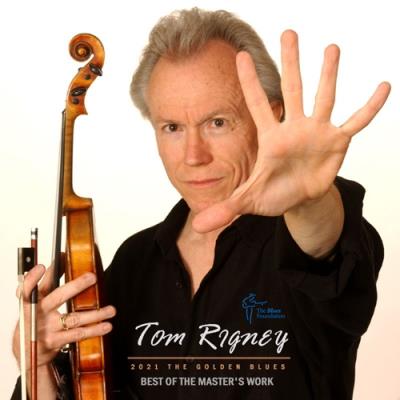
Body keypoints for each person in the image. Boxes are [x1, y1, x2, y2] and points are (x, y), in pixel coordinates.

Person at [11, 7, 390, 400]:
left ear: (270, 114)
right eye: (172, 127)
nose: (193, 156)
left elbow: (323, 246)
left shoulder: (308, 235)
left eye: (217, 122)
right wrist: (37, 366)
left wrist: (310, 200)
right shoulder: (134, 263)